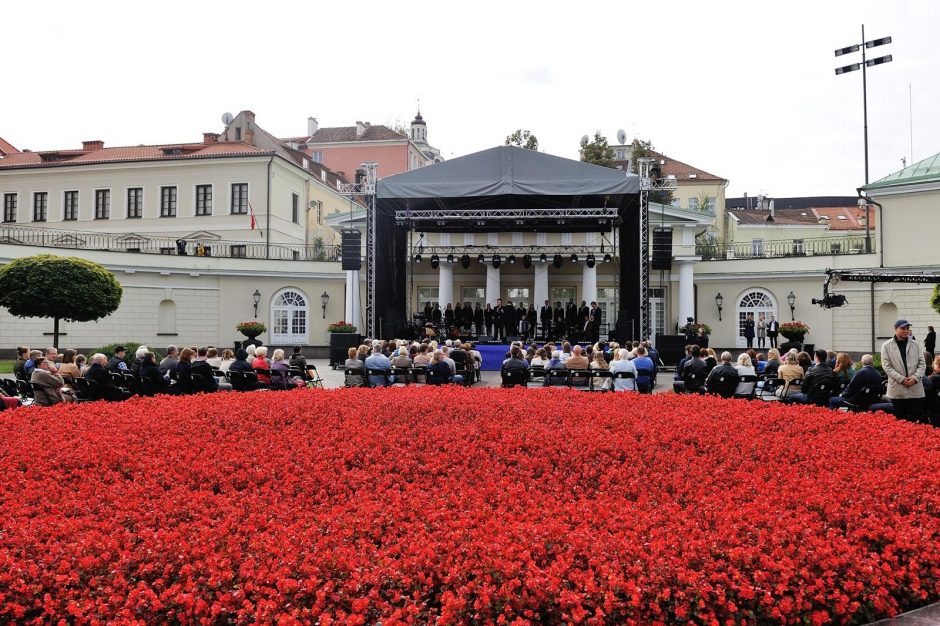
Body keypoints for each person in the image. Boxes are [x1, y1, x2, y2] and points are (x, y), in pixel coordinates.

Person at [881, 319, 927, 423]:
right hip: (898, 389)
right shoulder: (886, 345)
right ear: (895, 329)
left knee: (917, 420)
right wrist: (901, 379)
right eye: (902, 328)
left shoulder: (915, 344)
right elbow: (886, 366)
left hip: (915, 388)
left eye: (907, 329)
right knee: (900, 420)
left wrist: (915, 378)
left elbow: (922, 363)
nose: (906, 331)